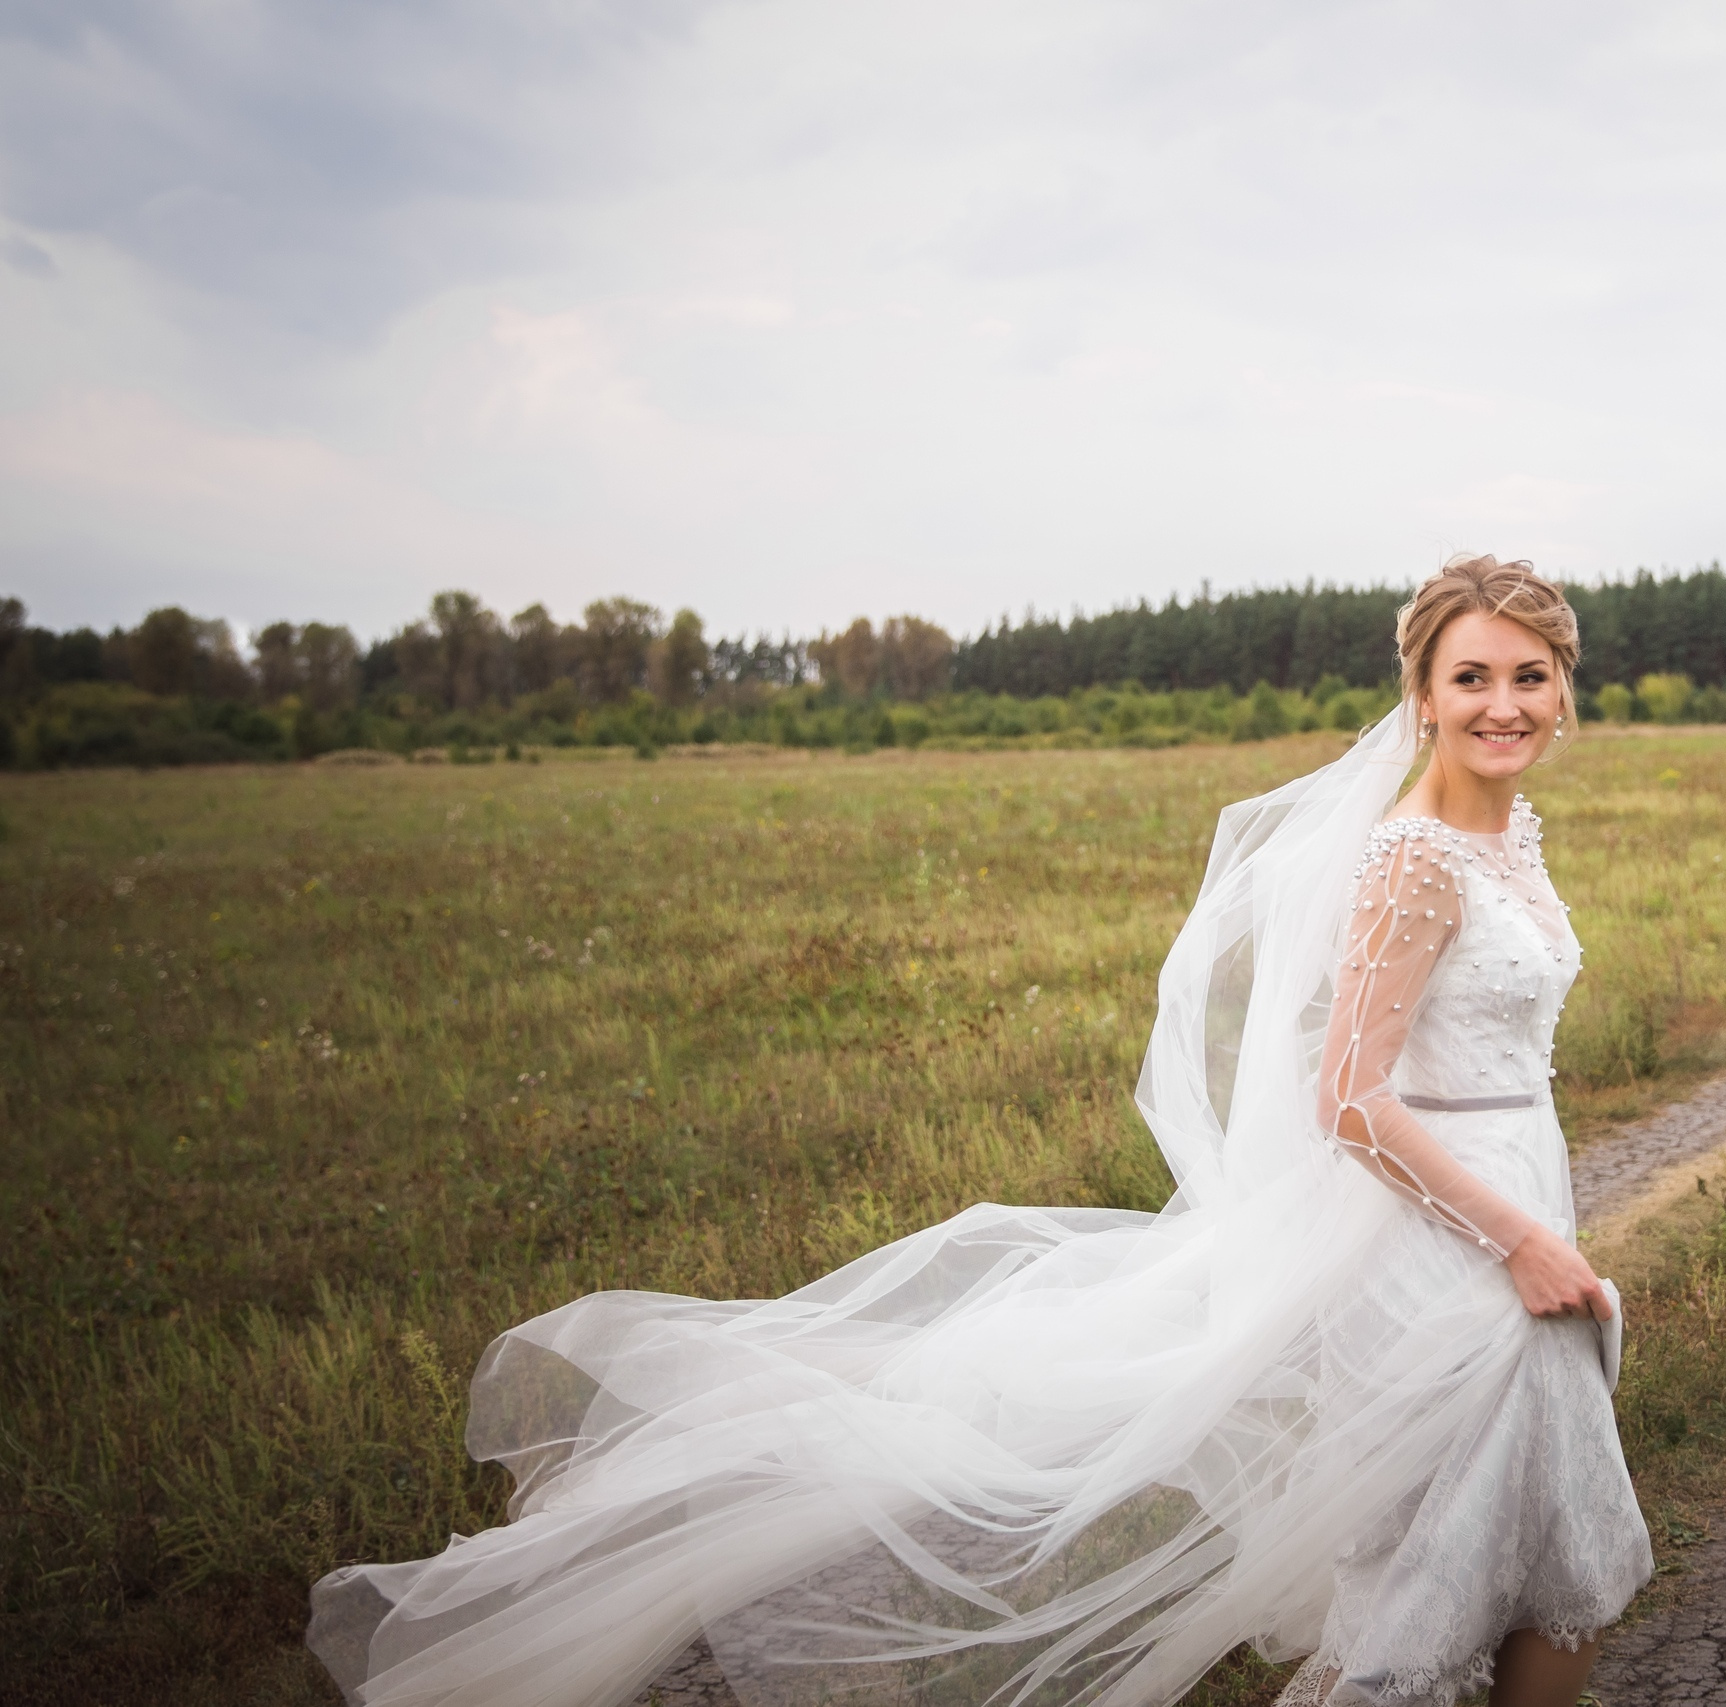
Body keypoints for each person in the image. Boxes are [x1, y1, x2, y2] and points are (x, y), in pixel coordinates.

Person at [308, 555, 1651, 1707]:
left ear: (1564, 691)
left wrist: (1537, 1217)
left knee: (1545, 1545)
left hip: (1507, 1193)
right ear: (1420, 694)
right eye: (1473, 677)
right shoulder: (1415, 860)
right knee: (1461, 1575)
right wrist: (1523, 1244)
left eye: (1530, 677)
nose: (1503, 706)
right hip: (1449, 1242)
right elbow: (1349, 1099)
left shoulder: (1508, 833)